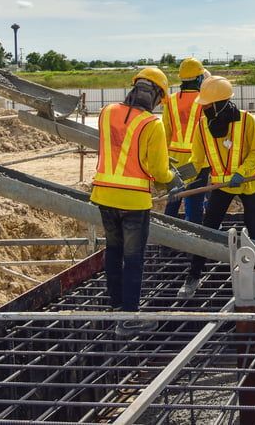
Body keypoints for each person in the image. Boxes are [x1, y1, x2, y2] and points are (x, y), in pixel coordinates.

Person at [90, 67, 183, 335]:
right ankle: (130, 318)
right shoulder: (151, 124)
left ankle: (117, 306)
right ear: (155, 95)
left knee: (113, 251)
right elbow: (156, 169)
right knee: (133, 259)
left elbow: (117, 148)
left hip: (104, 195)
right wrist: (170, 177)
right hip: (133, 202)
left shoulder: (107, 112)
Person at [178, 76, 255, 298]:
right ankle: (194, 275)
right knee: (208, 229)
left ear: (219, 104)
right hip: (222, 185)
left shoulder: (247, 121)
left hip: (248, 183)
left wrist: (241, 172)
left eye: (207, 104)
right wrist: (179, 179)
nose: (203, 107)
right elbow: (197, 161)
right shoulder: (203, 127)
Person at [163, 58, 209, 223]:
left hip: (174, 160)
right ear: (199, 78)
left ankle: (167, 241)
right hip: (197, 161)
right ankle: (194, 244)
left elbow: (165, 131)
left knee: (173, 201)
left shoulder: (171, 100)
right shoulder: (205, 100)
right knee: (195, 204)